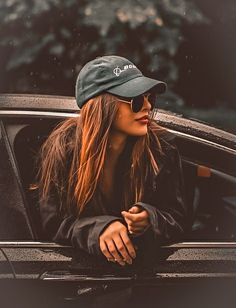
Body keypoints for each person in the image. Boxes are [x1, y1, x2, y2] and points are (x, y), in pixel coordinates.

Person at [37, 55, 188, 269]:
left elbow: (179, 219)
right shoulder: (63, 149)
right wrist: (98, 229)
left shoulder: (161, 150)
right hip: (80, 280)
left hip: (146, 279)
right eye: (136, 101)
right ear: (103, 107)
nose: (147, 107)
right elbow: (51, 224)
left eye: (149, 98)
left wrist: (149, 219)